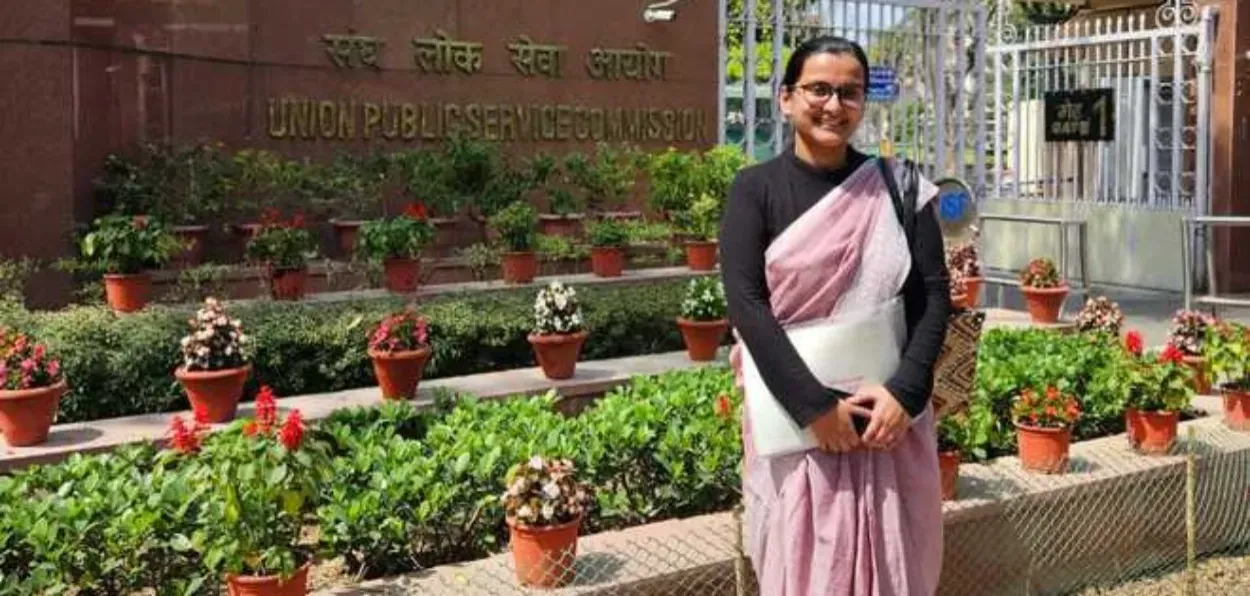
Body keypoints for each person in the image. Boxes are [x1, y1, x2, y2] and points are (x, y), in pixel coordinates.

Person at [720, 35, 951, 595]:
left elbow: (934, 297)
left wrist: (905, 395)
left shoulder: (898, 189)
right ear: (786, 98)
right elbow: (747, 306)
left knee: (894, 565)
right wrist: (814, 408)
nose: (833, 105)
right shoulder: (755, 190)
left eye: (849, 93)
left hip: (887, 427)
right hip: (796, 425)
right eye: (818, 89)